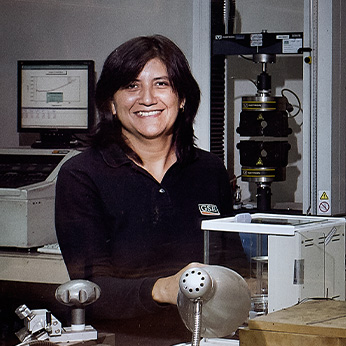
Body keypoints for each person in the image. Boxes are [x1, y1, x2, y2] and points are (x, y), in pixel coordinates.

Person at [55, 34, 248, 345]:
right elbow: (90, 289)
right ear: (111, 103)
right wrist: (164, 289)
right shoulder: (82, 175)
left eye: (162, 84)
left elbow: (234, 265)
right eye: (131, 85)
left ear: (182, 98)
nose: (147, 98)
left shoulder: (209, 170)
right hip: (125, 339)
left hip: (210, 336)